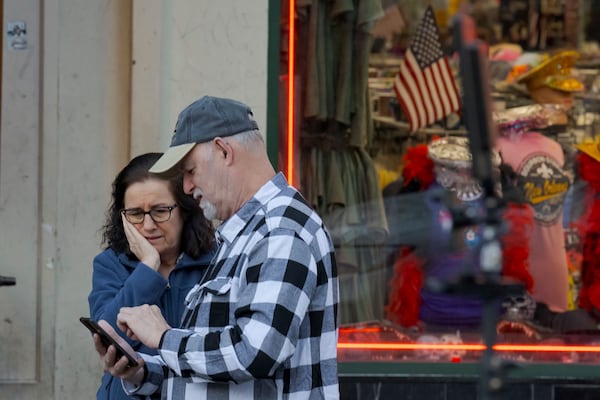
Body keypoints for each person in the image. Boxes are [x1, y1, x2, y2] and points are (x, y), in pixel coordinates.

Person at [92, 96, 340, 399]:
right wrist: (143, 372)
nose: (186, 187)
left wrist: (164, 337)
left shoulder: (280, 229)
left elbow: (256, 352)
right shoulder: (251, 230)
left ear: (223, 151)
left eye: (190, 170)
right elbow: (214, 364)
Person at [88, 152, 216, 400]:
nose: (147, 226)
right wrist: (148, 267)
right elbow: (107, 336)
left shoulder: (216, 263)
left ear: (186, 210)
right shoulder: (110, 264)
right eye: (135, 213)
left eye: (159, 211)